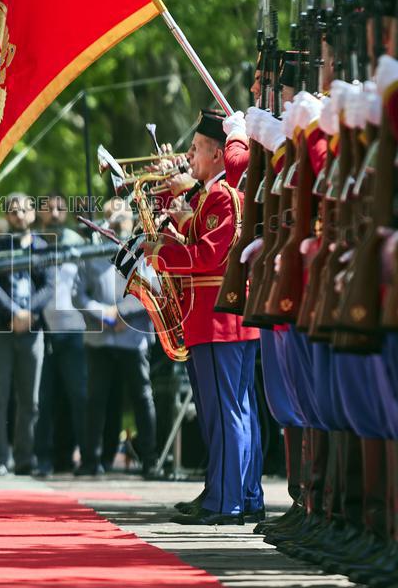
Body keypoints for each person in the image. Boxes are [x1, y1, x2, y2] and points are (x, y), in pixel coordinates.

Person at [144, 109, 262, 525]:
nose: (189, 156)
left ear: (216, 153)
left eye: (196, 149)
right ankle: (237, 494)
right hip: (219, 319)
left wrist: (161, 254)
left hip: (217, 320)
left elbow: (210, 257)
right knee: (235, 410)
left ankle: (226, 501)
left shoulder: (219, 195)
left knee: (225, 413)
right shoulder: (215, 195)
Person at [76, 198, 156, 477]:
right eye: (110, 216)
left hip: (132, 338)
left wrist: (120, 314)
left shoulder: (142, 248)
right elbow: (78, 295)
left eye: (121, 216)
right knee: (96, 399)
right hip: (99, 339)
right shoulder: (91, 251)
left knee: (141, 396)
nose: (115, 221)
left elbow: (151, 287)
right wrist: (105, 315)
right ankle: (91, 460)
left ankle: (150, 460)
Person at [0, 192, 52, 476]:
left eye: (24, 210)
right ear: (8, 216)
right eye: (13, 211)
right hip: (0, 328)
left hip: (32, 328)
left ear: (33, 213)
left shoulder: (44, 247)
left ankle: (25, 458)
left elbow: (49, 286)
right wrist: (13, 313)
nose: (19, 216)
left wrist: (29, 314)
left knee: (30, 399)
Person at [34, 193, 88, 477]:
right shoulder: (33, 244)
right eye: (48, 208)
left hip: (76, 330)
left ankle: (87, 459)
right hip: (43, 330)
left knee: (78, 396)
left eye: (59, 208)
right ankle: (43, 459)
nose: (54, 212)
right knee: (44, 399)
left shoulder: (78, 243)